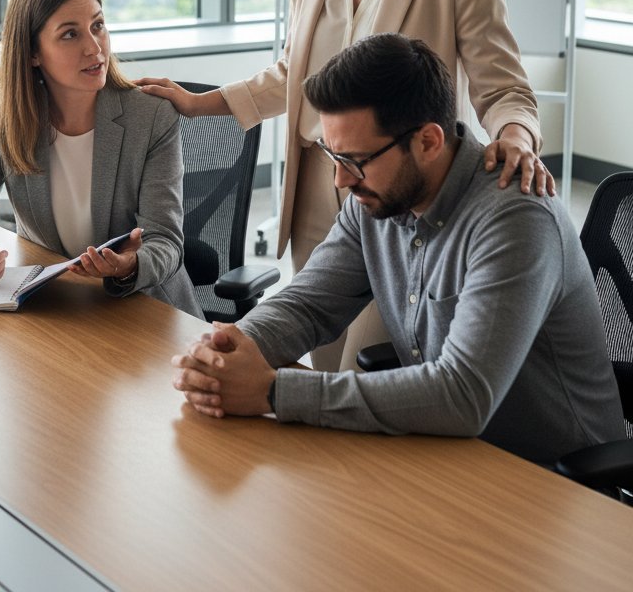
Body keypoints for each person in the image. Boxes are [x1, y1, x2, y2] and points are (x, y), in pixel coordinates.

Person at [139, 0, 553, 371]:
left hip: (400, 187)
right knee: (327, 355)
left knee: (382, 356)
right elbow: (296, 73)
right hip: (317, 181)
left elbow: (504, 87)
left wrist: (515, 136)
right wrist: (198, 104)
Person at [171, 34, 623, 465]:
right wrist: (227, 350)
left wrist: (272, 392)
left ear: (428, 141)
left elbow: (462, 394)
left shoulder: (515, 221)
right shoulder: (377, 200)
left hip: (553, 483)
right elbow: (307, 304)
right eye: (335, 157)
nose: (341, 181)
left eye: (356, 161)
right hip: (441, 454)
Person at [0, 0, 202, 318]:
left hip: (144, 308)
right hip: (56, 307)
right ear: (32, 53)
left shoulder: (150, 116)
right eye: (70, 34)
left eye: (98, 26)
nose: (93, 46)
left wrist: (127, 264)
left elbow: (165, 241)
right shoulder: (4, 115)